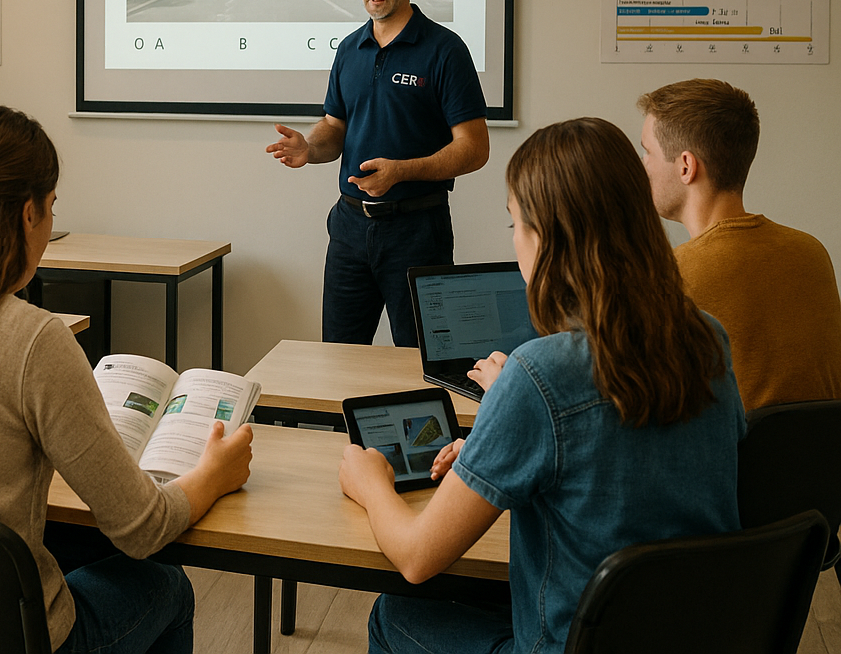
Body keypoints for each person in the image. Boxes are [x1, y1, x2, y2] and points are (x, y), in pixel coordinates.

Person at [0, 105, 253, 654]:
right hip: (10, 639)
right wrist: (213, 473)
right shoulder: (34, 338)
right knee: (167, 585)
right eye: (52, 206)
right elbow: (143, 528)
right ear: (28, 214)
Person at [339, 117, 744, 654]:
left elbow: (416, 557)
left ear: (545, 238)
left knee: (396, 613)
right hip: (698, 637)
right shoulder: (709, 338)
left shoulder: (538, 374)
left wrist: (371, 483)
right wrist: (499, 435)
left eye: (515, 223)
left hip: (567, 645)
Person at [267, 0, 489, 346]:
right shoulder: (349, 49)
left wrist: (401, 171)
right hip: (349, 229)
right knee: (339, 358)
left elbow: (475, 148)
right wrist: (309, 148)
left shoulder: (445, 50)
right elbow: (334, 127)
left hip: (418, 231)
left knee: (420, 360)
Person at [638, 78, 841, 409]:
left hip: (726, 445)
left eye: (647, 151)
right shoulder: (811, 253)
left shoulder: (671, 273)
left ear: (686, 166)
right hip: (824, 446)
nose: (643, 166)